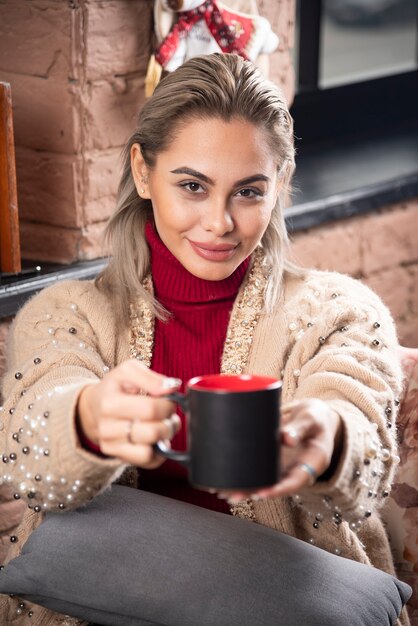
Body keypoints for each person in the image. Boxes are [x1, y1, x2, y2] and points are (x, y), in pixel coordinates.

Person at [0, 53, 410, 625]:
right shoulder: (66, 315)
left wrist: (330, 438)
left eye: (247, 191)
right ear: (143, 172)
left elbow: (367, 452)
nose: (218, 222)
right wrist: (86, 420)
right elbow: (22, 464)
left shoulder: (338, 311)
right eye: (192, 185)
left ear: (281, 185)